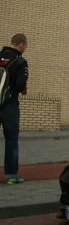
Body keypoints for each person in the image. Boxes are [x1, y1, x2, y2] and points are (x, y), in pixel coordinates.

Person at [0, 33, 29, 184]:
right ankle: (11, 175)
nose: (25, 49)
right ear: (21, 45)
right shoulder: (20, 61)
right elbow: (19, 85)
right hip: (9, 104)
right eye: (25, 46)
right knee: (11, 139)